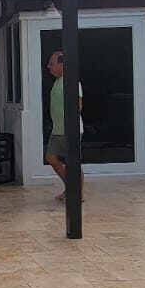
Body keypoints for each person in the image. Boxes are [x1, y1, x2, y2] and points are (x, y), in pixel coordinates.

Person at [45, 50, 84, 201]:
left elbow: (78, 105)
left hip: (70, 130)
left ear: (62, 65)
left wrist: (72, 128)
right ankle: (70, 187)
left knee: (73, 163)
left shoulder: (71, 81)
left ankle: (78, 193)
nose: (48, 67)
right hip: (57, 130)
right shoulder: (58, 81)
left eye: (52, 64)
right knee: (51, 158)